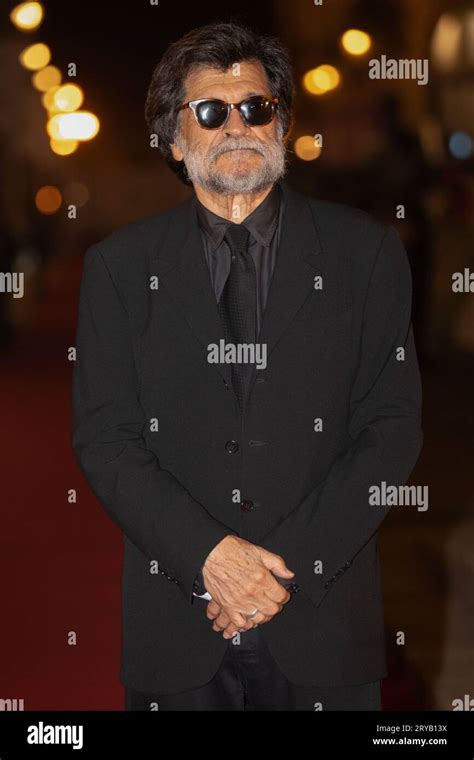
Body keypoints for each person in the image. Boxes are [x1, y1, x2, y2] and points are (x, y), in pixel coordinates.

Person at [72, 21, 423, 711]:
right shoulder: (119, 267)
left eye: (256, 107)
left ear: (282, 125)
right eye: (210, 111)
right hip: (176, 622)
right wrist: (211, 558)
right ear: (174, 139)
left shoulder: (365, 255)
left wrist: (278, 576)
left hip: (325, 622)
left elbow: (391, 430)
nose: (237, 124)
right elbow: (105, 438)